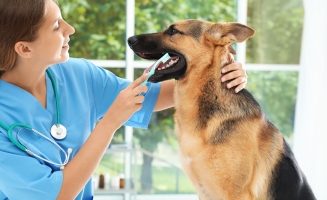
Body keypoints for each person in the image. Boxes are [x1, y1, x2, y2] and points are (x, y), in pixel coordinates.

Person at [0, 0, 248, 199]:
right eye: (56, 26)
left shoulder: (78, 74)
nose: (70, 29)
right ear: (24, 49)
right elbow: (57, 195)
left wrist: (219, 74)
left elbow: (151, 96)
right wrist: (109, 123)